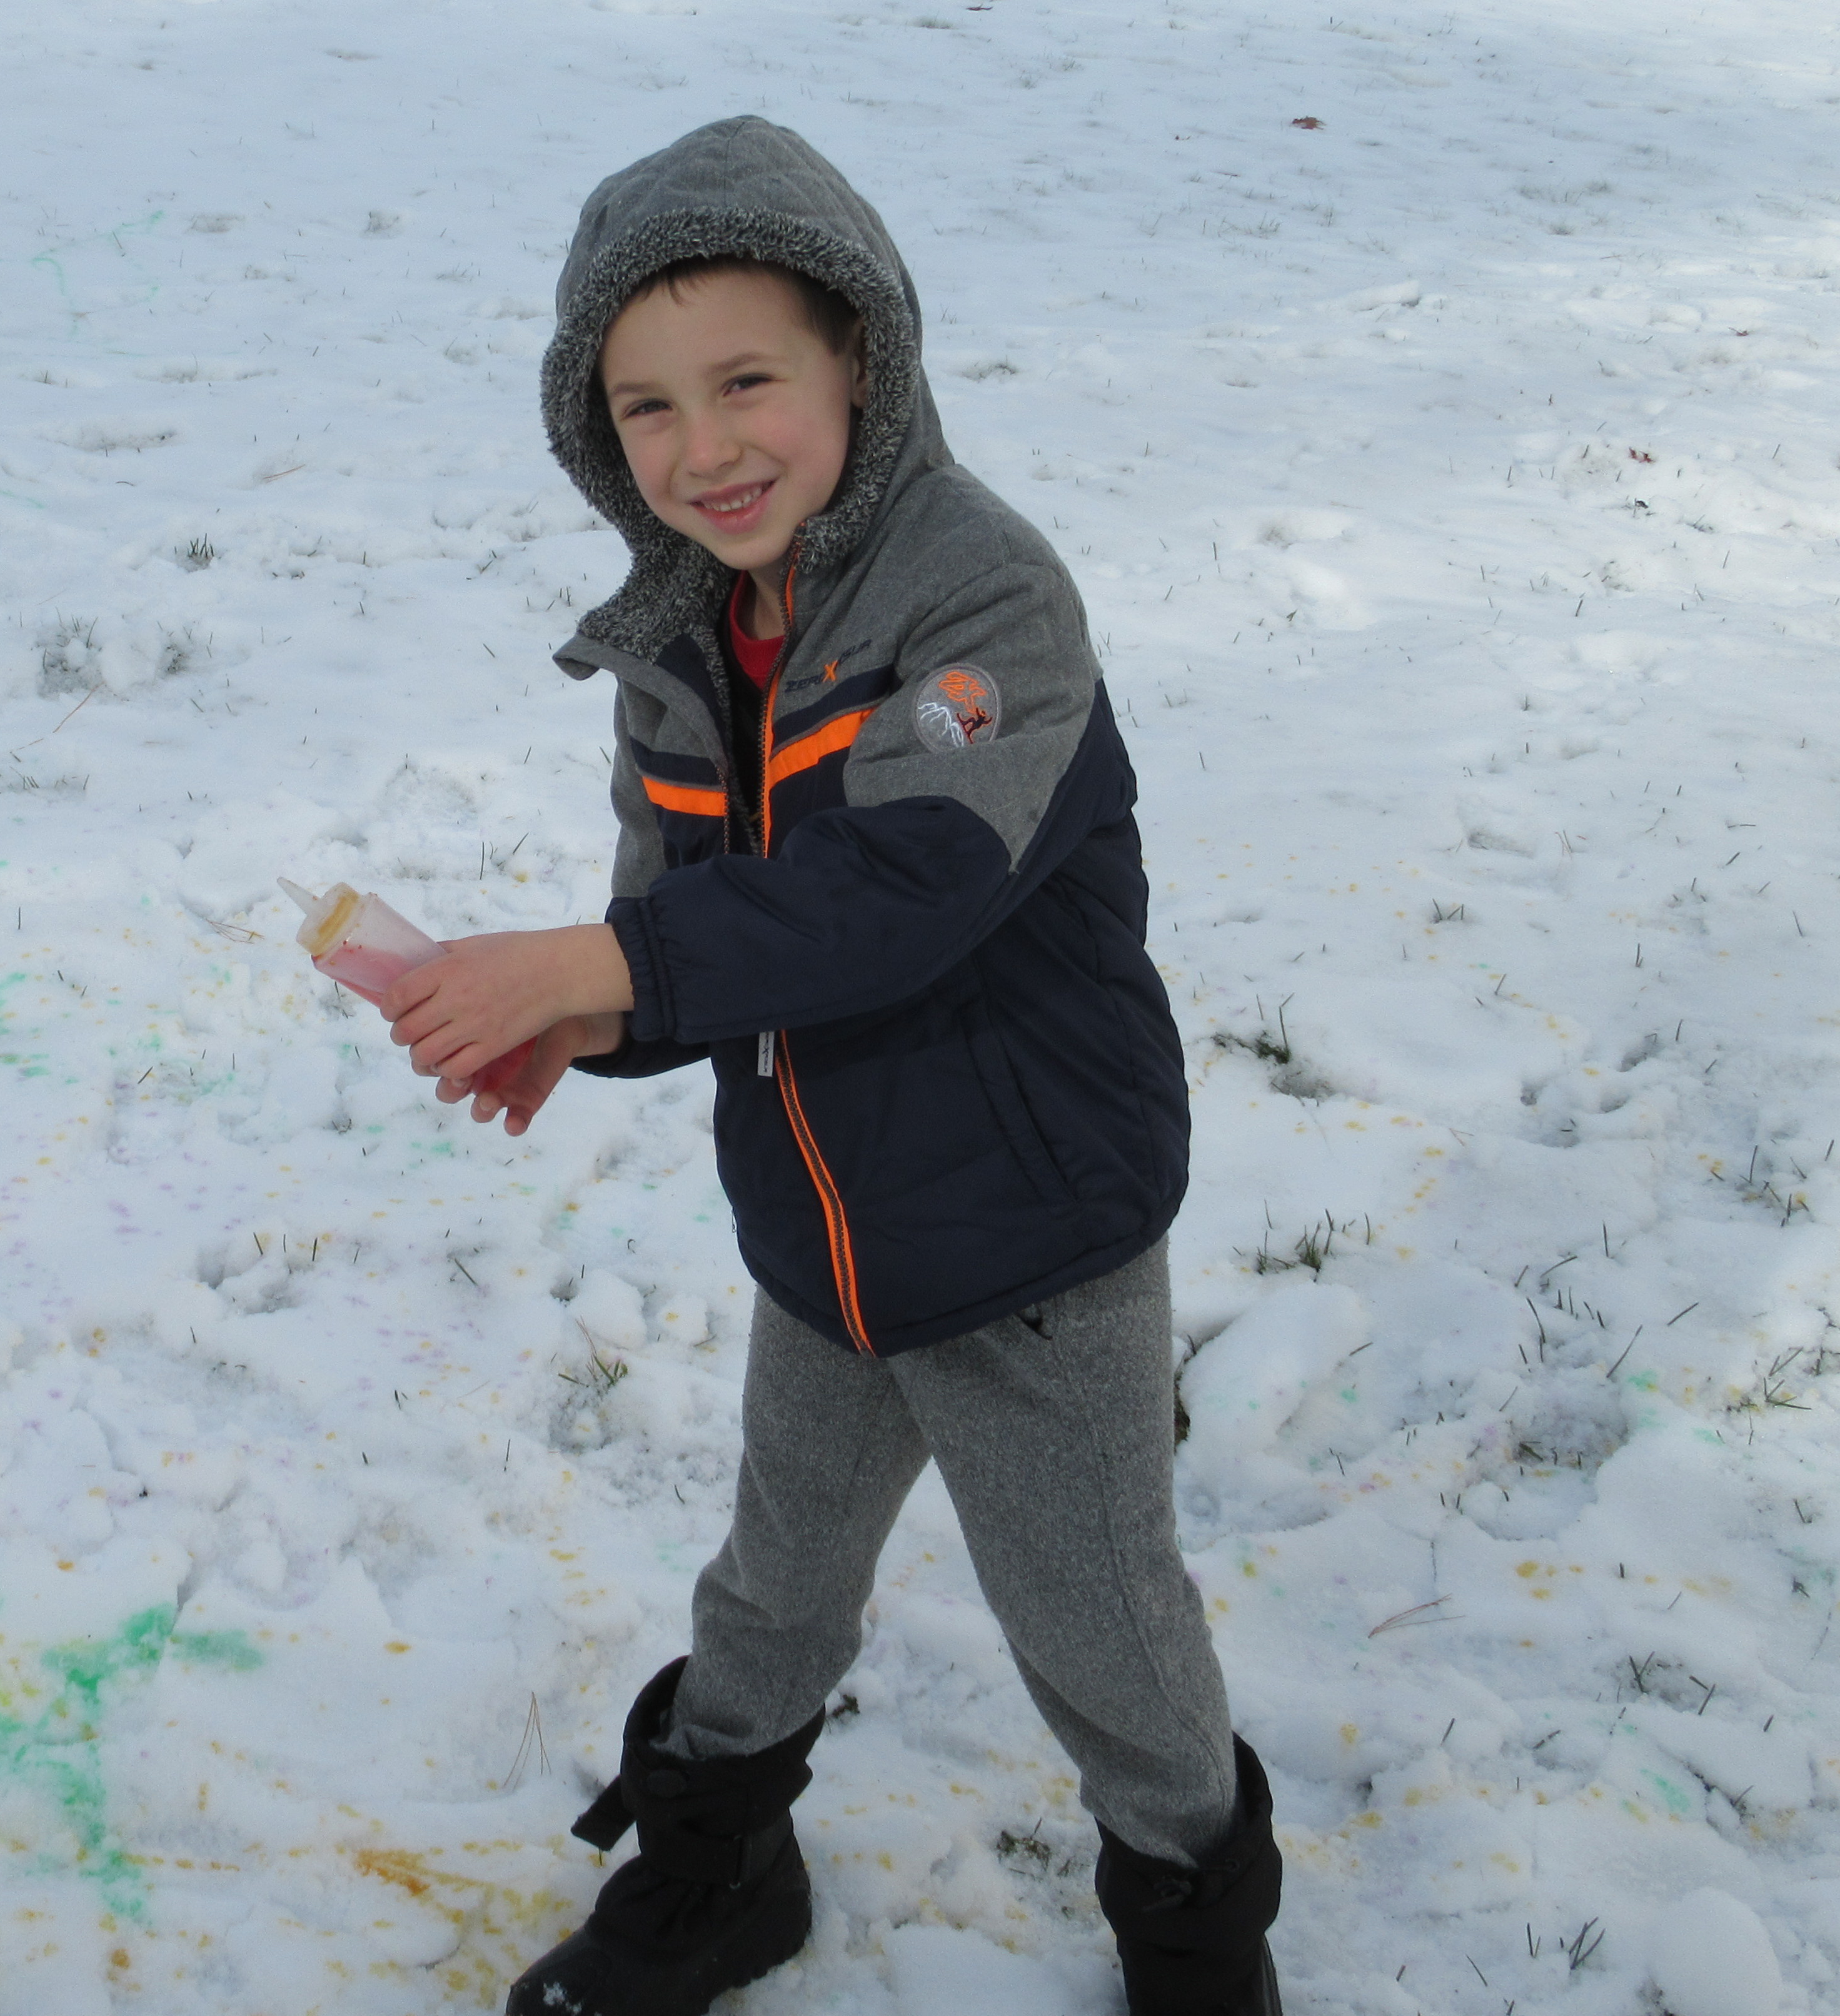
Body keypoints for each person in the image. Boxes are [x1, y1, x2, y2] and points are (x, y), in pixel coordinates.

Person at [377, 117, 1283, 2016]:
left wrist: (596, 965)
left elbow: (899, 889)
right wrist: (581, 1016)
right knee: (773, 1582)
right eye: (644, 407)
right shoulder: (682, 641)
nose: (701, 448)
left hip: (1032, 1237)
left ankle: (1196, 1933)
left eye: (745, 382)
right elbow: (687, 924)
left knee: (1101, 1629)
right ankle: (722, 1872)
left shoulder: (980, 598)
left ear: (857, 355)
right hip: (823, 1227)